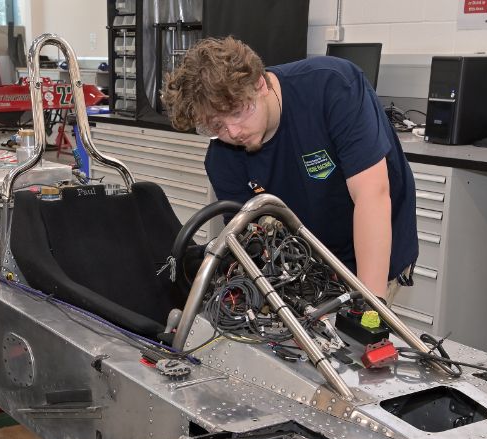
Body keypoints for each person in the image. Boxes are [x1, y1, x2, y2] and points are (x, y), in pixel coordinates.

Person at [161, 37, 417, 302]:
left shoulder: (332, 86)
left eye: (237, 112)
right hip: (305, 270)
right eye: (216, 126)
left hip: (372, 255)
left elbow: (371, 195)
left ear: (260, 84)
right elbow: (253, 243)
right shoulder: (222, 159)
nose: (233, 132)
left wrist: (370, 308)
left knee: (363, 333)